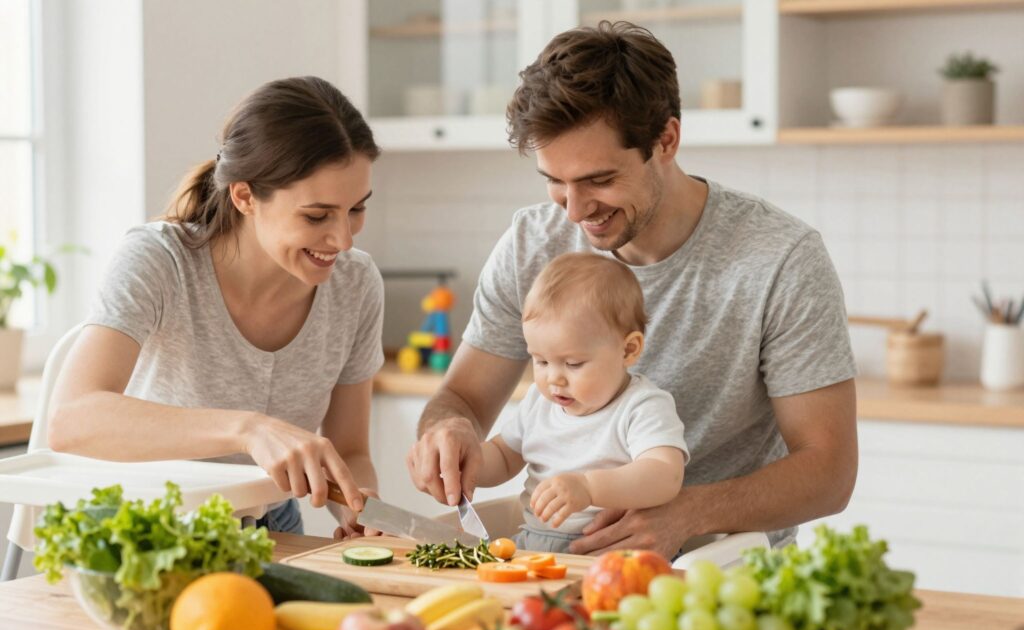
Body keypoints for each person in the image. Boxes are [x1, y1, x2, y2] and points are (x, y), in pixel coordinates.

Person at [407, 22, 859, 559]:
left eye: (598, 179)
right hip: (571, 565)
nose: (574, 211)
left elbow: (828, 471)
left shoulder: (779, 258)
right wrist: (449, 431)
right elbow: (462, 399)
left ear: (665, 140)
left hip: (725, 567)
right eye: (554, 180)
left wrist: (689, 511)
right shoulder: (532, 241)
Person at [48, 76, 384, 537]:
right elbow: (73, 419)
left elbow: (349, 449)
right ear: (244, 195)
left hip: (270, 521)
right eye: (316, 216)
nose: (343, 240)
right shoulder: (161, 260)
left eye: (357, 209)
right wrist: (247, 429)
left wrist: (359, 506)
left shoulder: (356, 283)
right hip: (147, 526)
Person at [472, 252, 688, 553]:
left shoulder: (642, 406)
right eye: (541, 361)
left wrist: (589, 488)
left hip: (612, 551)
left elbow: (666, 475)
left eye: (572, 364)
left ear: (628, 350)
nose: (553, 379)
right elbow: (504, 456)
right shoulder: (538, 401)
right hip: (534, 545)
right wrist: (469, 462)